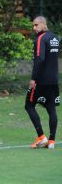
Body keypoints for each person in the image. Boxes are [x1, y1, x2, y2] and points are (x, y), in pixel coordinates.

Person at [25, 16, 60, 149]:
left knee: (29, 105)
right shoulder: (55, 38)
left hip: (42, 80)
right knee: (51, 108)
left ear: (43, 24)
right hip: (53, 80)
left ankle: (41, 137)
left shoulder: (41, 38)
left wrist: (33, 78)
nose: (34, 28)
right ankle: (51, 141)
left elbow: (40, 59)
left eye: (36, 25)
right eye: (33, 25)